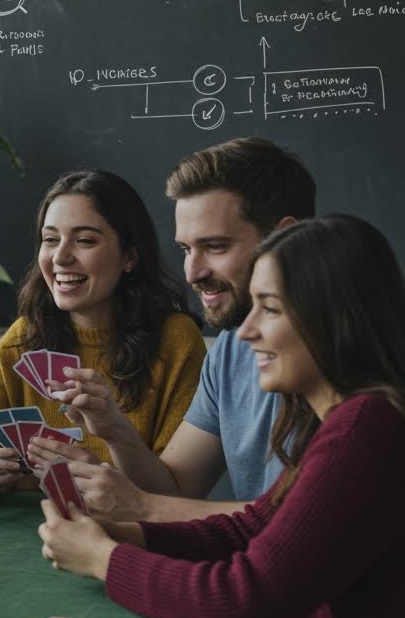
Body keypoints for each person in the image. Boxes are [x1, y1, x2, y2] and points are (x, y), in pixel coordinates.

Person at [38, 215, 405, 618]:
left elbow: (245, 602)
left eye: (269, 309)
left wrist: (104, 560)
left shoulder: (367, 434)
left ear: (332, 316)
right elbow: (251, 530)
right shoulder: (350, 419)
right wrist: (133, 536)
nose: (246, 332)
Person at [45, 138, 316, 523]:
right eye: (187, 249)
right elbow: (176, 488)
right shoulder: (228, 350)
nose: (192, 273)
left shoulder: (352, 356)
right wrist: (115, 431)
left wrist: (140, 508)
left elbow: (304, 521)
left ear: (286, 239)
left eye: (216, 246)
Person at [0, 168, 204, 499]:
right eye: (50, 239)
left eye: (84, 240)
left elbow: (171, 491)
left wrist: (98, 466)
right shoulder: (26, 335)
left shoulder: (177, 339)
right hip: (25, 528)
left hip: (126, 531)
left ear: (130, 257)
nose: (61, 257)